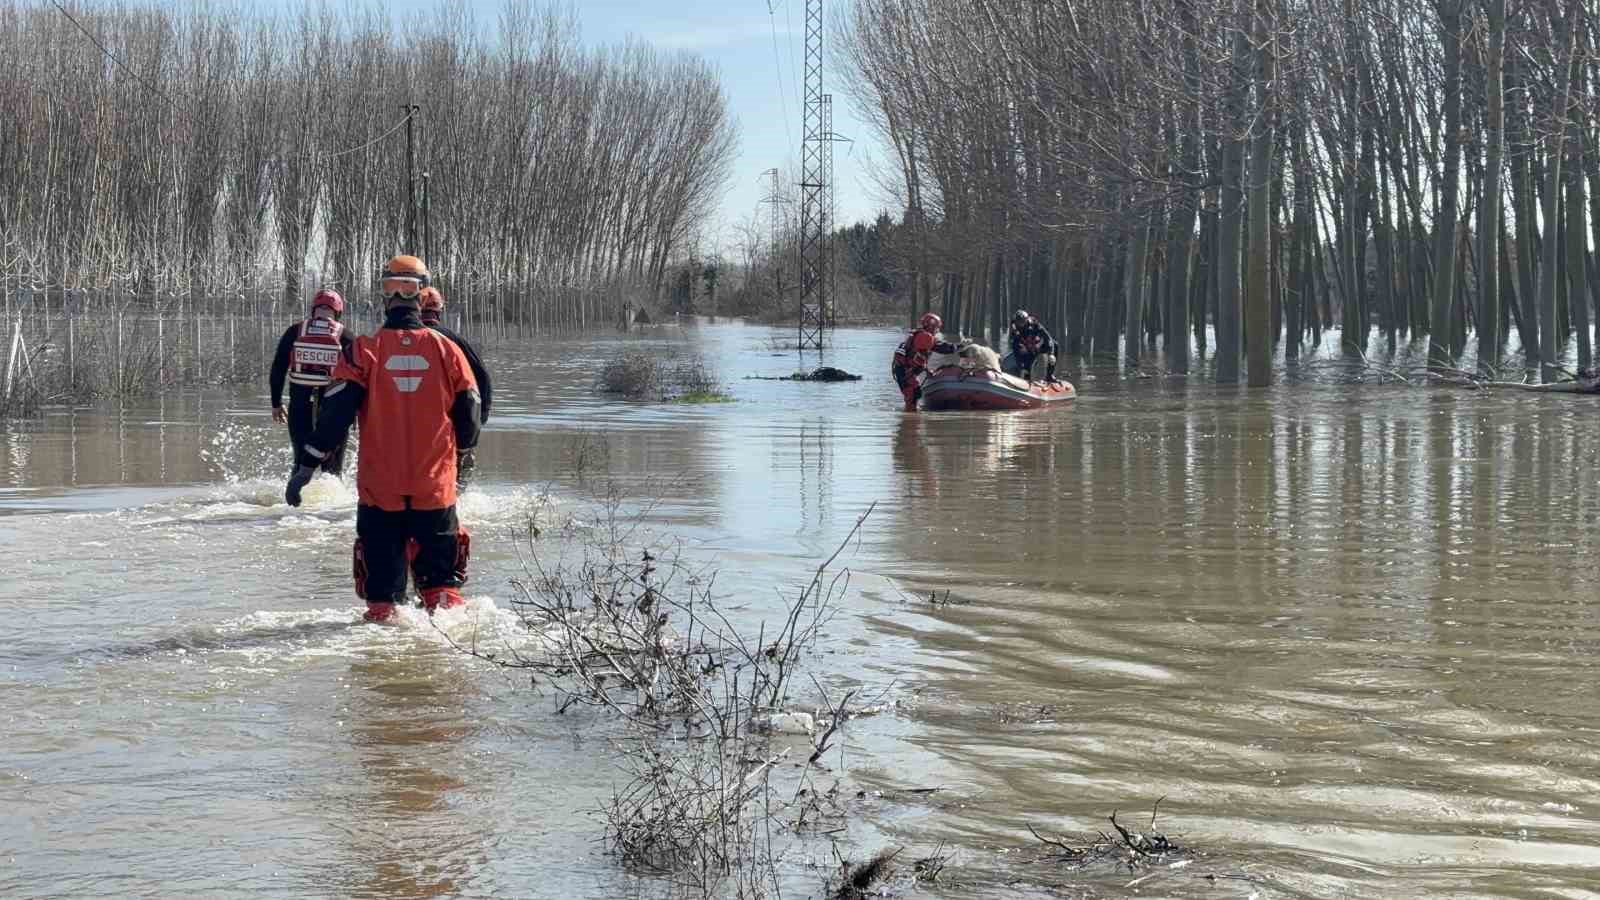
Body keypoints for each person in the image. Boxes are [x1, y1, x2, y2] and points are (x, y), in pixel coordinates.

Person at [285, 255, 481, 623]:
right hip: (434, 488)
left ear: (384, 296)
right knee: (443, 590)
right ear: (422, 295)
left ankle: (380, 664)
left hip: (380, 491)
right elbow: (470, 410)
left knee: (382, 605)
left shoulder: (363, 351)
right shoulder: (448, 351)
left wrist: (306, 465)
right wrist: (464, 457)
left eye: (397, 287)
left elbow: (335, 416)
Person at [269, 289, 353, 477]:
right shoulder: (345, 336)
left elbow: (278, 368)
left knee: (300, 465)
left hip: (300, 407)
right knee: (332, 472)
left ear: (313, 309)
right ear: (338, 311)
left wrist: (276, 403)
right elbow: (359, 376)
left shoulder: (295, 331)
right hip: (334, 411)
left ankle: (295, 502)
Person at [891, 312, 955, 411]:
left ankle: (910, 415)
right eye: (936, 327)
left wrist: (927, 370)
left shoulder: (919, 334)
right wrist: (957, 347)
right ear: (931, 326)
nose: (937, 330)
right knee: (913, 394)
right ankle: (910, 420)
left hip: (904, 370)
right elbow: (941, 348)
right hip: (906, 372)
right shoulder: (925, 336)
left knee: (915, 393)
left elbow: (917, 357)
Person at [1006, 309, 1058, 382]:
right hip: (1027, 350)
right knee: (1026, 368)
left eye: (1023, 321)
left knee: (1055, 345)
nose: (1021, 324)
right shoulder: (1015, 329)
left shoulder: (1034, 323)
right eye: (1019, 322)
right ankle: (1026, 378)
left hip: (1037, 346)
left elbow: (1048, 337)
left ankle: (1049, 376)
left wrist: (1051, 354)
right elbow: (1016, 349)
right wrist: (1021, 366)